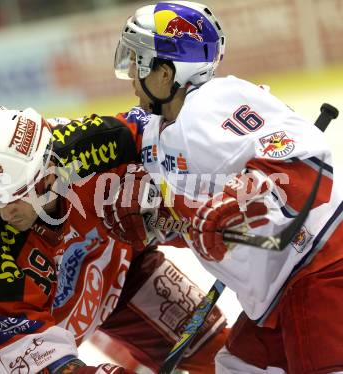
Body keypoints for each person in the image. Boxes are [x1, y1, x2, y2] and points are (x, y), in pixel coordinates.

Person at [102, 1, 343, 373]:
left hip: (322, 266)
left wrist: (238, 202)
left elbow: (306, 165)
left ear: (166, 72)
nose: (131, 75)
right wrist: (163, 225)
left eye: (138, 61)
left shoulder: (213, 104)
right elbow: (202, 222)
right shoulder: (155, 135)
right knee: (235, 366)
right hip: (277, 291)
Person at [0, 104, 229, 374]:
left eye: (16, 193)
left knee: (220, 357)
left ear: (46, 170)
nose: (4, 211)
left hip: (120, 267)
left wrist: (184, 216)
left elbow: (172, 138)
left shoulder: (94, 145)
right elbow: (38, 361)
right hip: (15, 321)